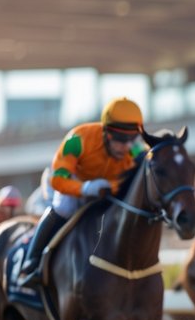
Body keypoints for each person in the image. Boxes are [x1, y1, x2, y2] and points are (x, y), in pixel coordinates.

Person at [16, 97, 147, 286]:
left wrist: (112, 187)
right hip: (71, 180)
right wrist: (86, 188)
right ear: (106, 131)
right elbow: (59, 180)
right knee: (64, 207)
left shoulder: (135, 148)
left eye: (131, 139)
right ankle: (32, 259)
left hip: (106, 187)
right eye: (120, 139)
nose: (125, 146)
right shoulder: (77, 140)